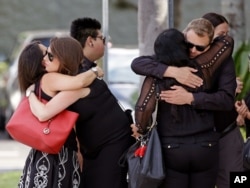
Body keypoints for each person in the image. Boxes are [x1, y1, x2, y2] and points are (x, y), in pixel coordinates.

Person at [27, 17, 135, 188]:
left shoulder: (78, 82)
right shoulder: (76, 77)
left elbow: (43, 113)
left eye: (50, 55)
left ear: (63, 58)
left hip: (110, 147)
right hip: (97, 148)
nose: (45, 60)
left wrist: (30, 93)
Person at [131, 18, 236, 188]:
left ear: (210, 46)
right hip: (201, 144)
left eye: (200, 48)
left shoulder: (218, 62)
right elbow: (136, 63)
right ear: (183, 38)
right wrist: (173, 71)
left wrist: (191, 98)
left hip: (180, 144)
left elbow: (144, 106)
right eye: (189, 45)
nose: (193, 51)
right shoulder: (201, 67)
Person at [17, 37, 103, 188]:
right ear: (40, 61)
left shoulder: (38, 84)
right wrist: (95, 70)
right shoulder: (49, 78)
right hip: (58, 153)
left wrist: (30, 94)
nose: (49, 56)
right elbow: (79, 82)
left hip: (42, 152)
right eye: (46, 53)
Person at [202, 12, 244, 188]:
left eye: (227, 34)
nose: (226, 40)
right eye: (221, 35)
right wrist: (227, 91)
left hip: (228, 132)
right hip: (201, 137)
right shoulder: (191, 60)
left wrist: (231, 96)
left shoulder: (226, 60)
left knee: (238, 180)